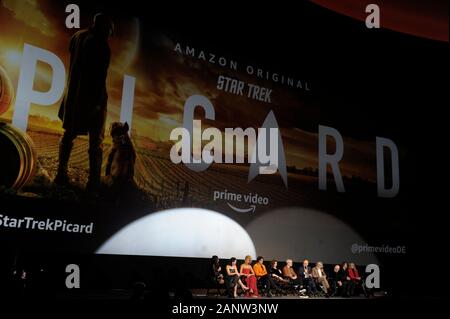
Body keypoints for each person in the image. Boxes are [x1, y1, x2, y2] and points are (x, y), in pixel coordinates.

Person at [55, 13, 114, 195]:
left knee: (68, 135)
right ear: (104, 28)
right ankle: (93, 184)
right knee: (96, 142)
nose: (110, 35)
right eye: (110, 31)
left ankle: (61, 174)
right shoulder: (101, 45)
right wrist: (97, 105)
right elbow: (98, 78)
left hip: (74, 96)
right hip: (91, 100)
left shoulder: (77, 36)